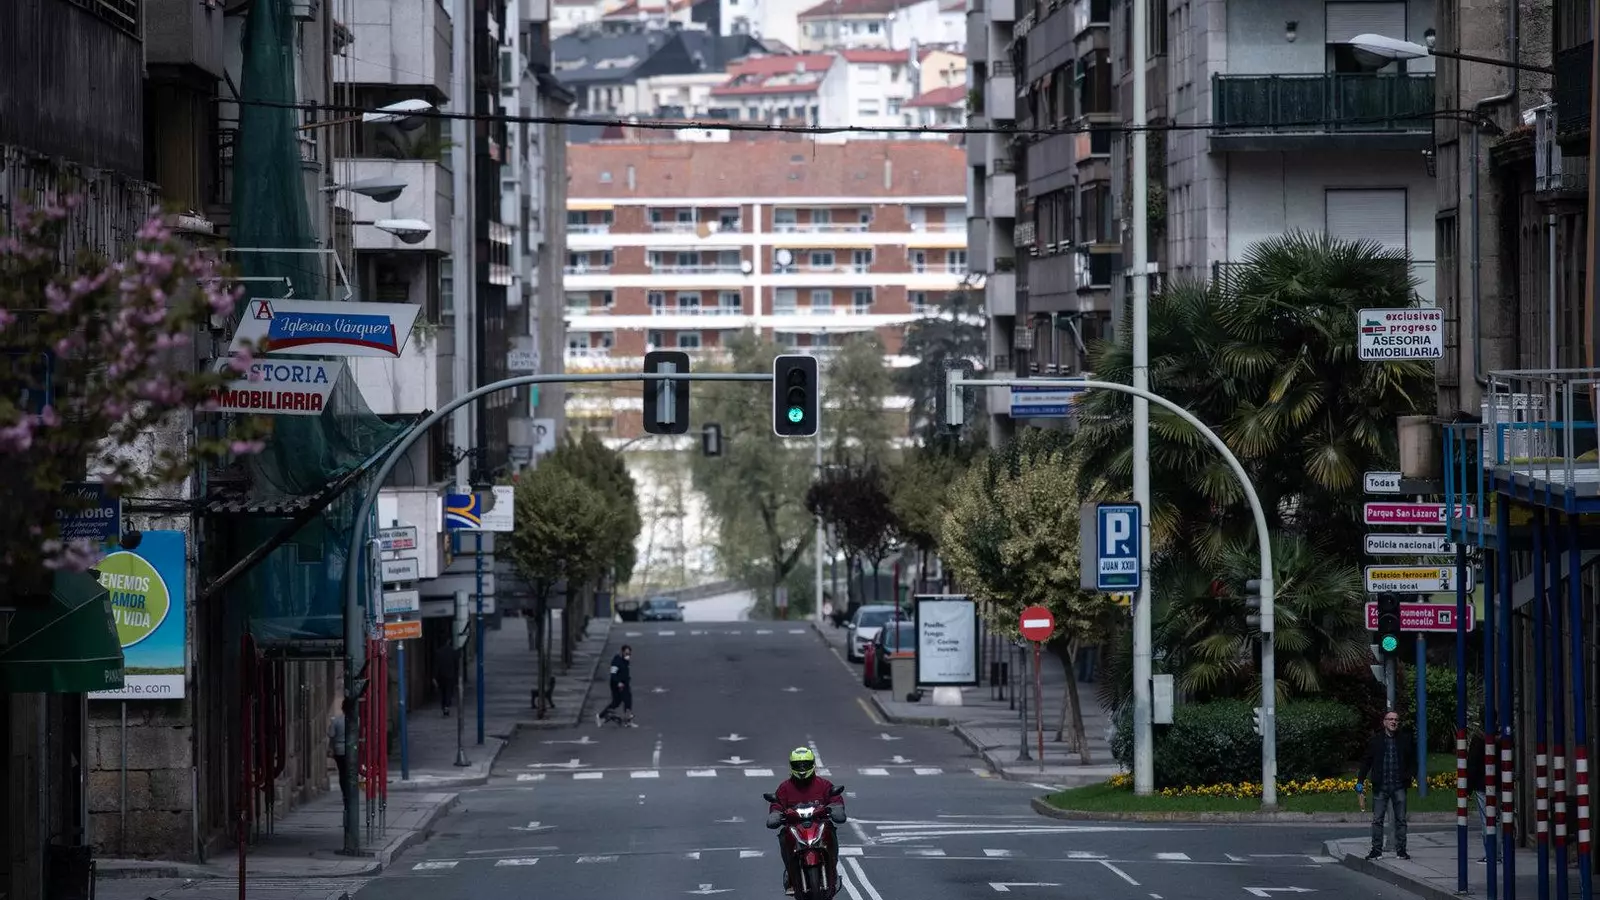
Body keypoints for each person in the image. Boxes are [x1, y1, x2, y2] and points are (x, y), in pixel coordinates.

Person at [766, 747, 844, 897]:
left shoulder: (823, 784)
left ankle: (832, 869)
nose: (802, 769)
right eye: (798, 765)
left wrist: (836, 807)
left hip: (819, 825)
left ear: (813, 764)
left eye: (805, 765)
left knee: (830, 831)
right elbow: (777, 804)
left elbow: (834, 797)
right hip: (794, 828)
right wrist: (775, 814)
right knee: (784, 836)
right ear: (791, 766)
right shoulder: (784, 788)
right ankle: (791, 875)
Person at [1357, 709, 1416, 860]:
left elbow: (1412, 761)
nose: (1393, 722)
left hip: (1399, 786)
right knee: (1377, 820)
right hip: (1381, 786)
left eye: (1396, 719)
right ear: (1384, 722)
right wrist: (1360, 781)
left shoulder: (1405, 740)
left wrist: (1409, 776)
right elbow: (1366, 762)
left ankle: (1401, 850)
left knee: (1401, 820)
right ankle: (1376, 850)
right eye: (1390, 719)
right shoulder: (1376, 741)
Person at [596, 644, 636, 726]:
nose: (628, 656)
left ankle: (627, 719)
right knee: (620, 701)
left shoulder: (625, 660)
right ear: (622, 652)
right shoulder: (616, 661)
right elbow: (613, 674)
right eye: (626, 653)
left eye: (629, 654)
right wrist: (618, 683)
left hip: (624, 683)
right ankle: (601, 716)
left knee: (624, 700)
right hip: (617, 685)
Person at [327, 698, 351, 805]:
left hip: (339, 750)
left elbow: (331, 735)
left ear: (342, 708)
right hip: (352, 751)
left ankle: (345, 793)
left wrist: (330, 748)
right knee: (351, 772)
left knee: (342, 773)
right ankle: (351, 792)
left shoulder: (336, 721)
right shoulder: (357, 721)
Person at [434, 638, 459, 717]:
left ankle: (444, 706)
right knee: (449, 691)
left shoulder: (438, 652)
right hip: (450, 675)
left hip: (441, 675)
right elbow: (456, 665)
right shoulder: (453, 652)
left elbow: (436, 666)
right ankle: (446, 707)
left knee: (443, 692)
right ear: (448, 641)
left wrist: (435, 677)